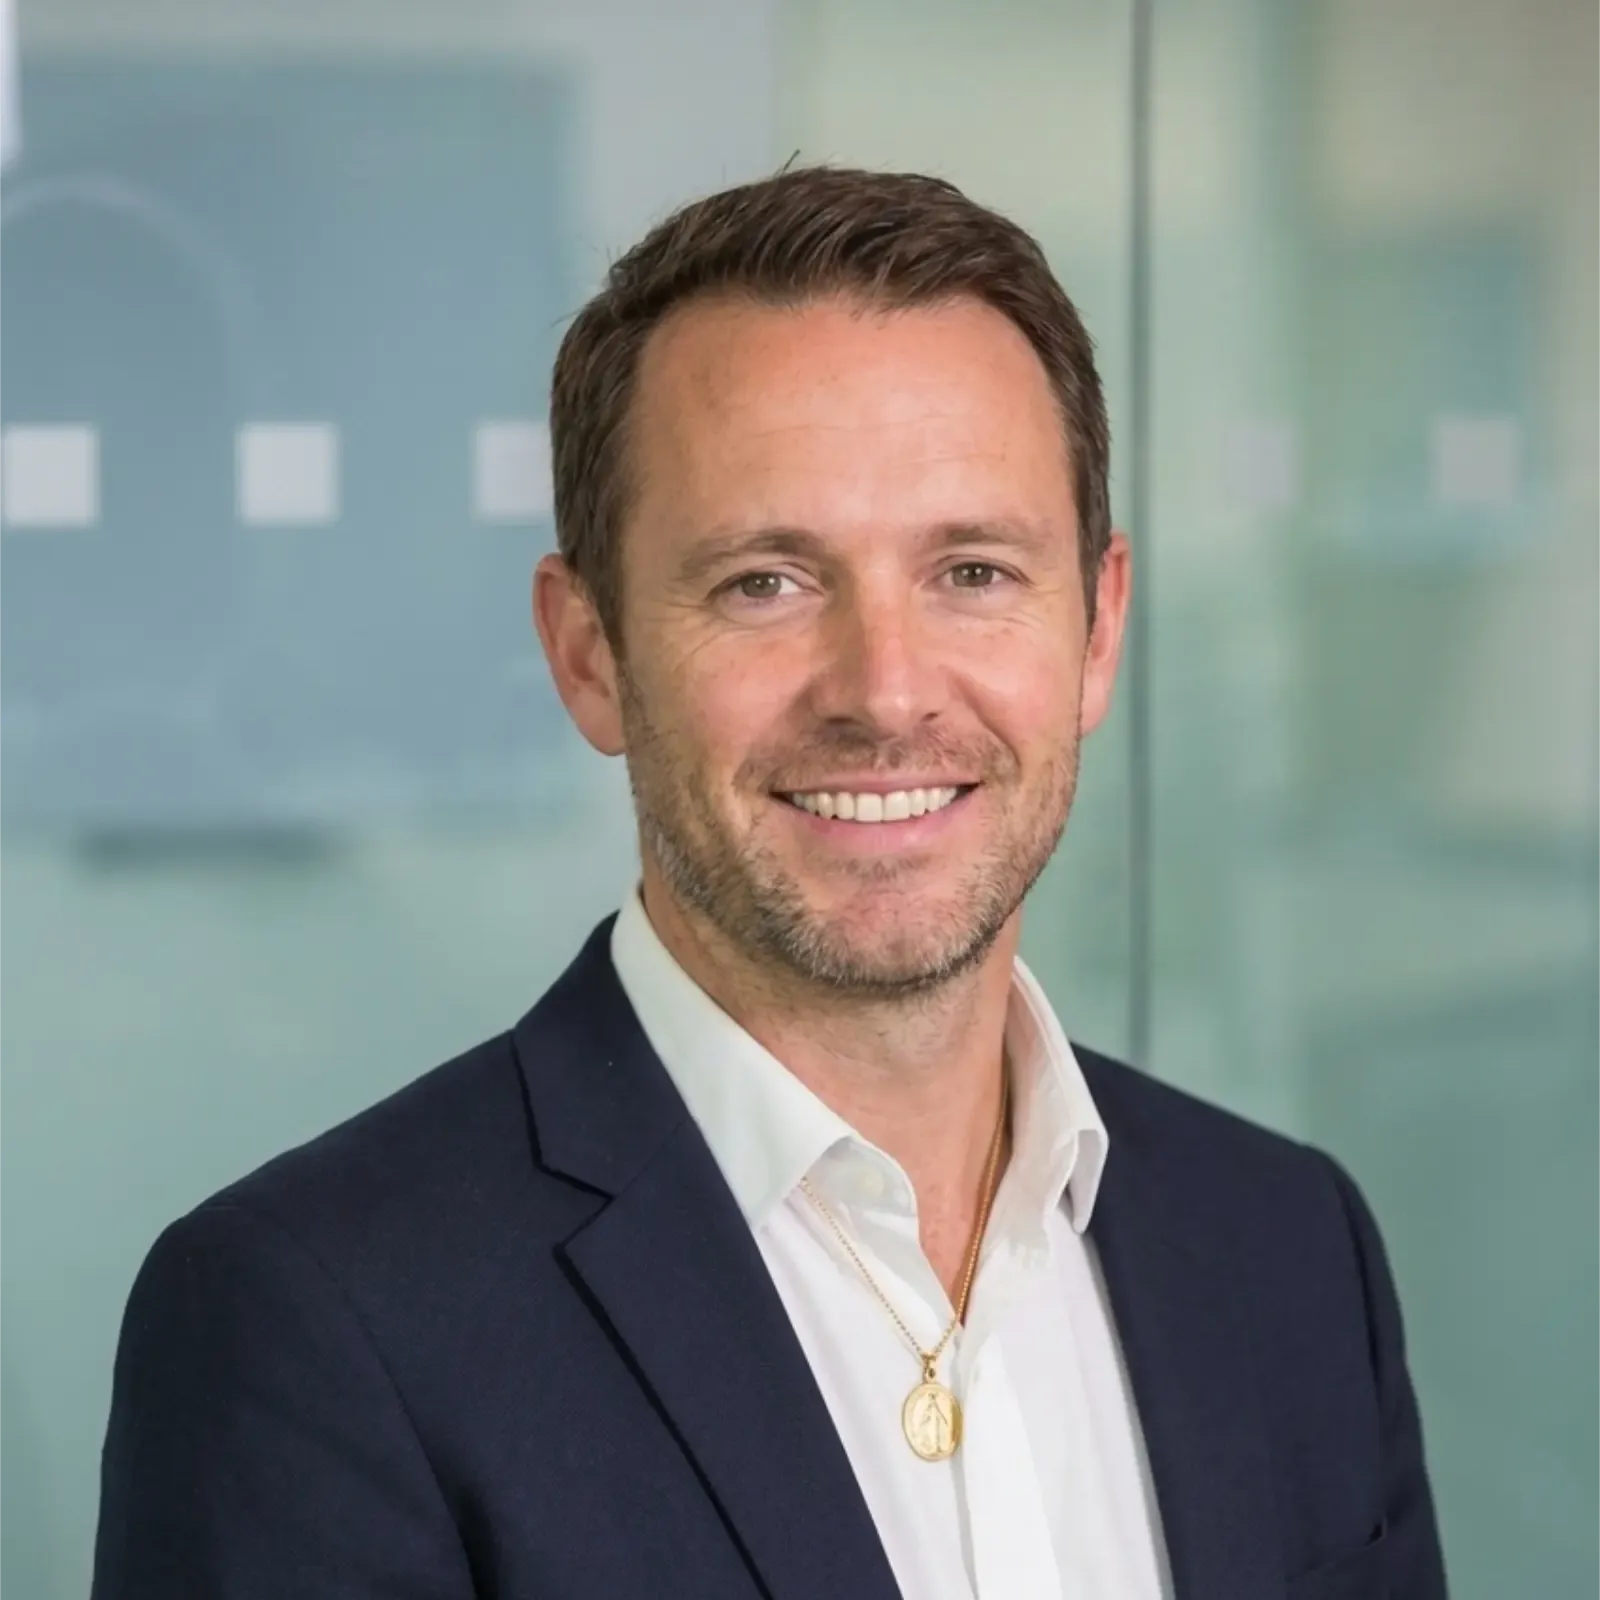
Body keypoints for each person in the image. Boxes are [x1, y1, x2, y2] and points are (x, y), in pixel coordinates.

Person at [92, 166, 1448, 1600]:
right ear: (588, 653)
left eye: (974, 572)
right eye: (765, 583)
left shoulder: (1289, 1249)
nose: (886, 691)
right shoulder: (317, 1323)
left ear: (1100, 627)